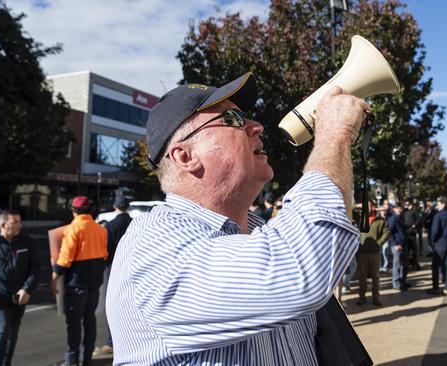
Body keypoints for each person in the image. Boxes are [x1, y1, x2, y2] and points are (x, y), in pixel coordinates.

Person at [105, 73, 369, 364]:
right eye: (232, 119)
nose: (256, 126)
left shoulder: (258, 232)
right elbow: (298, 271)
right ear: (184, 156)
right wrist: (335, 136)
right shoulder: (152, 247)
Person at [0, 210, 39, 366]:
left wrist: (27, 289)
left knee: (12, 333)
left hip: (19, 297)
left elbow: (35, 269)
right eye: (15, 222)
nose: (19, 225)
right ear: (3, 225)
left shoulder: (27, 243)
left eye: (19, 222)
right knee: (2, 330)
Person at [51, 196, 108, 366]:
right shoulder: (101, 230)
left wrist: (54, 276)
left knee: (74, 323)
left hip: (76, 283)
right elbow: (105, 255)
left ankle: (72, 360)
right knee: (89, 320)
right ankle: (87, 359)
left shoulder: (73, 229)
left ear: (74, 211)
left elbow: (65, 258)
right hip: (94, 282)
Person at [94, 197, 133, 356]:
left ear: (115, 206)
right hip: (133, 265)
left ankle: (112, 342)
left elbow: (106, 249)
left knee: (114, 304)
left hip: (114, 267)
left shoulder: (111, 225)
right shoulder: (135, 223)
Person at [356, 201, 389, 306]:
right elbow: (350, 210)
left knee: (375, 276)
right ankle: (362, 297)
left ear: (373, 207)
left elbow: (386, 232)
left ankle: (376, 298)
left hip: (374, 253)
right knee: (362, 276)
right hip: (362, 252)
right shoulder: (360, 218)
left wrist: (378, 243)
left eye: (368, 206)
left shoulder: (380, 221)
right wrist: (358, 205)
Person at [428, 197, 447, 296]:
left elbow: (435, 231)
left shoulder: (438, 216)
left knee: (435, 266)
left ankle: (435, 287)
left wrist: (433, 241)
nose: (437, 206)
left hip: (440, 244)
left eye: (438, 204)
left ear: (443, 204)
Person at [388, 204, 409, 291]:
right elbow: (389, 231)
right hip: (397, 245)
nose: (399, 210)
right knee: (397, 265)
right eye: (397, 208)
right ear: (394, 209)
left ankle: (402, 281)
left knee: (404, 264)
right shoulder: (394, 218)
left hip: (403, 244)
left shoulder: (400, 217)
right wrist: (395, 244)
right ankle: (396, 283)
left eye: (400, 208)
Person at [402, 200, 421, 271]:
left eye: (408, 204)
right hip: (406, 232)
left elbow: (419, 219)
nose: (407, 205)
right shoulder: (404, 211)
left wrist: (414, 225)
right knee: (407, 250)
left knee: (414, 250)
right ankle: (407, 264)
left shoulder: (414, 211)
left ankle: (415, 264)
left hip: (412, 232)